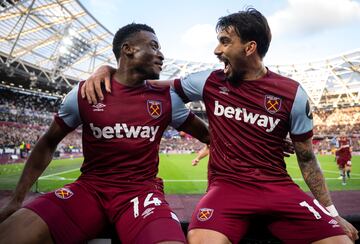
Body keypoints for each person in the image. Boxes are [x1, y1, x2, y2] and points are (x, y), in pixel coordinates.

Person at [81, 9, 359, 243]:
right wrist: (106, 68)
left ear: (250, 48)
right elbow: (144, 83)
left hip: (279, 189)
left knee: (341, 241)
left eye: (225, 42)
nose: (217, 50)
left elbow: (307, 158)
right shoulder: (209, 81)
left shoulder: (292, 93)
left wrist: (331, 211)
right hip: (226, 189)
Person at [0, 23, 210, 244]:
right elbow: (48, 142)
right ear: (128, 49)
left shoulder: (167, 98)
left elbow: (209, 137)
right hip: (89, 190)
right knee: (10, 234)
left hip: (141, 194)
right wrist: (16, 199)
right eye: (154, 46)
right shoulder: (84, 94)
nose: (162, 55)